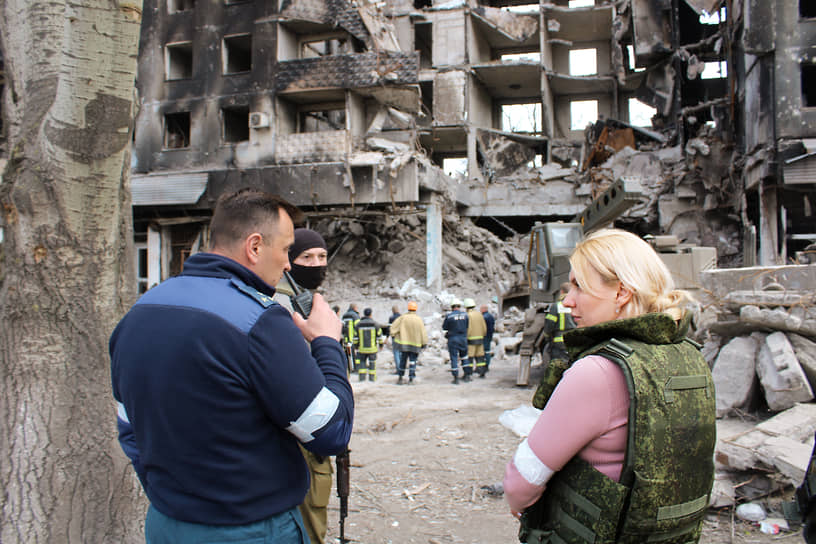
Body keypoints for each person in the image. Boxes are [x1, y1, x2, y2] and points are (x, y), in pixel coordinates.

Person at [110, 189, 354, 543]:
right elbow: (332, 430)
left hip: (166, 524)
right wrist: (327, 343)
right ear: (255, 247)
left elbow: (129, 425)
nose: (289, 265)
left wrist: (176, 496)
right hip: (250, 529)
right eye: (286, 250)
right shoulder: (259, 320)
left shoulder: (140, 312)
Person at [503, 229, 716, 544]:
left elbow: (521, 483)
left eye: (579, 286)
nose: (567, 300)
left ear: (622, 293)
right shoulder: (690, 356)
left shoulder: (598, 372)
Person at [273, 227, 335, 544]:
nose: (315, 263)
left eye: (322, 256)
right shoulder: (281, 303)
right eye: (306, 257)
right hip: (302, 423)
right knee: (309, 512)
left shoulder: (306, 298)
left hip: (314, 416)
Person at [530, 282, 576, 409]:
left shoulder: (557, 307)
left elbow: (549, 326)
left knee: (557, 370)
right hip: (574, 342)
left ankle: (557, 397)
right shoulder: (577, 305)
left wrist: (546, 337)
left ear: (561, 292)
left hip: (559, 344)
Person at [390, 301, 428, 384]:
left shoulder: (403, 317)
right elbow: (423, 332)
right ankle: (411, 378)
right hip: (415, 344)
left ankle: (400, 377)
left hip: (404, 344)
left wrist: (394, 335)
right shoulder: (419, 319)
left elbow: (393, 328)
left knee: (403, 361)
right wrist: (424, 343)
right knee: (412, 361)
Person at [442, 299, 469, 384]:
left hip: (453, 339)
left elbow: (444, 327)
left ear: (452, 307)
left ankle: (456, 378)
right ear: (459, 306)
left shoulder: (449, 316)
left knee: (454, 358)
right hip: (463, 338)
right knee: (464, 357)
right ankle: (467, 375)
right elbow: (467, 325)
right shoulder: (465, 315)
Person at [356, 308, 383, 382]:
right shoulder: (375, 324)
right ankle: (372, 378)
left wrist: (356, 346)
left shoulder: (358, 324)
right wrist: (381, 345)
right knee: (372, 364)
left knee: (362, 364)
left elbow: (355, 337)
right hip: (372, 349)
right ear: (371, 314)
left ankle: (362, 378)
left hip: (362, 349)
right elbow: (380, 336)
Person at [464, 298, 488, 378]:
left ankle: (468, 373)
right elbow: (484, 327)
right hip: (480, 338)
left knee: (470, 357)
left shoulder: (468, 315)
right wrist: (483, 334)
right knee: (480, 356)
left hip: (471, 339)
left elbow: (468, 328)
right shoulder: (479, 314)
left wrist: (466, 337)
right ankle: (482, 372)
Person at [341, 304, 360, 373]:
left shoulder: (344, 316)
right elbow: (358, 326)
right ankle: (356, 369)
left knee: (348, 355)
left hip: (346, 338)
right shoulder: (355, 316)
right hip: (354, 339)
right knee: (356, 354)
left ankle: (349, 369)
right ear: (354, 308)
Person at [480, 304, 496, 371]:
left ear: (484, 309)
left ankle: (485, 365)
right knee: (487, 351)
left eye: (481, 309)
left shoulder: (484, 317)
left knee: (484, 351)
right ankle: (487, 364)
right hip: (489, 335)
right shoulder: (491, 316)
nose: (480, 310)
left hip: (484, 336)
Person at [387, 305, 401, 374]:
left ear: (392, 311)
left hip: (394, 337)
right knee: (401, 353)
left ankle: (398, 369)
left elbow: (389, 328)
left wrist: (387, 337)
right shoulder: (402, 317)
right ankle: (402, 368)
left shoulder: (391, 318)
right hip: (402, 338)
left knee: (396, 353)